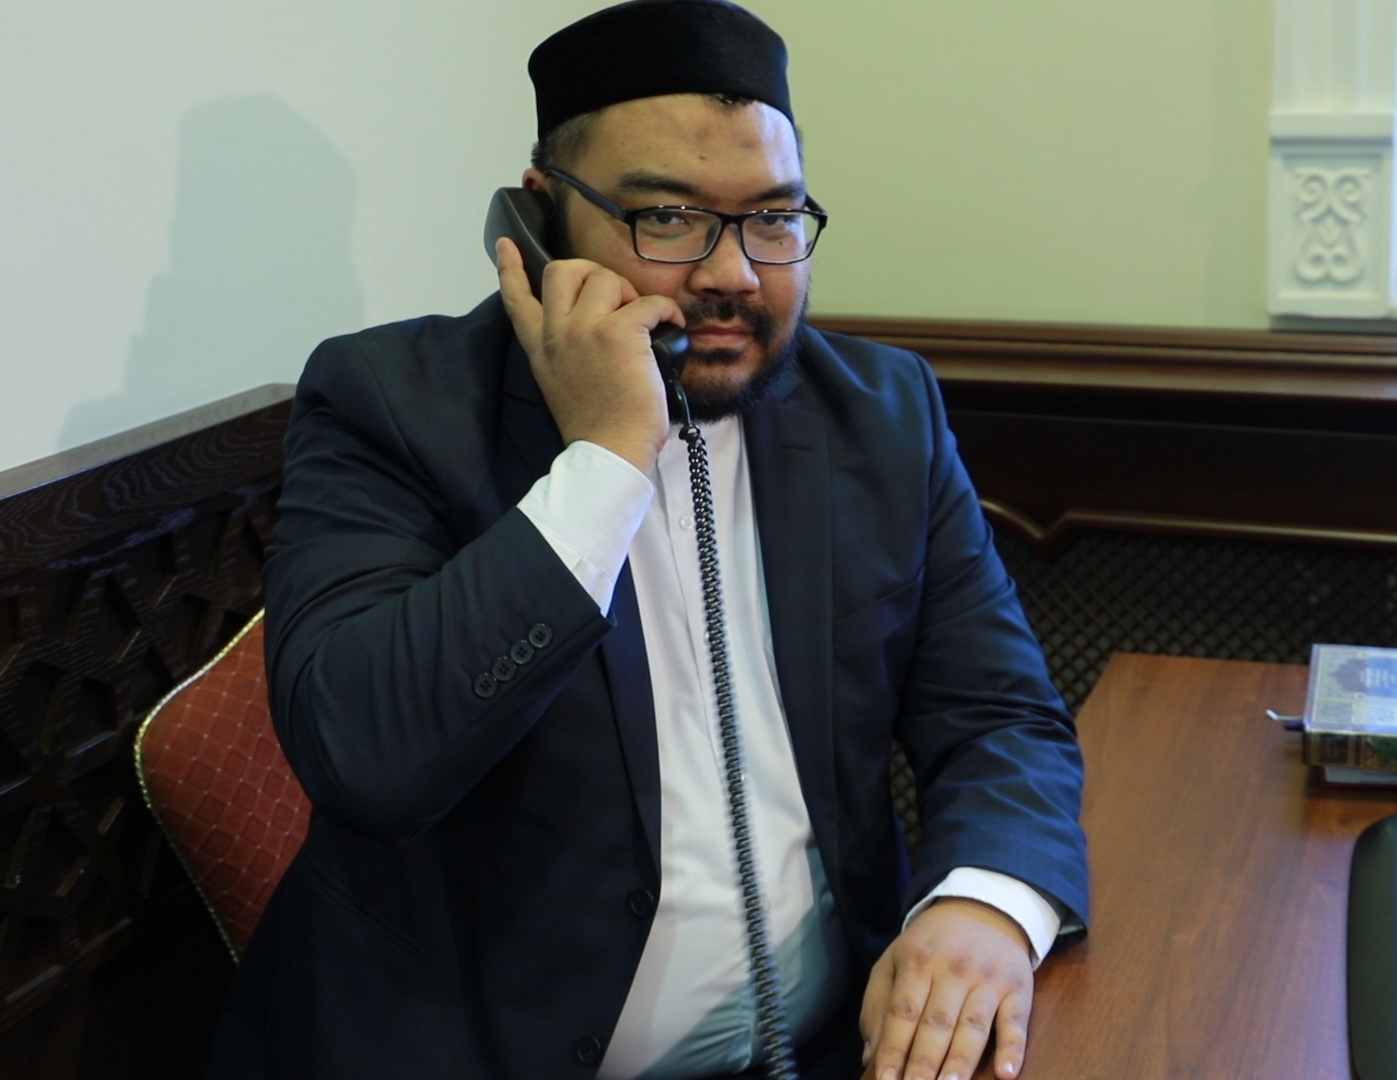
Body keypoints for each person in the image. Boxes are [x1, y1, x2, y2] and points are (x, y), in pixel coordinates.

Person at [207, 3, 1089, 1079]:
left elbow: (999, 714)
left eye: (773, 219)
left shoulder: (881, 411)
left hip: (829, 1051)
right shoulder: (390, 403)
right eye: (668, 217)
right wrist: (606, 459)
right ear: (540, 217)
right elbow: (366, 757)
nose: (734, 274)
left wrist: (985, 905)